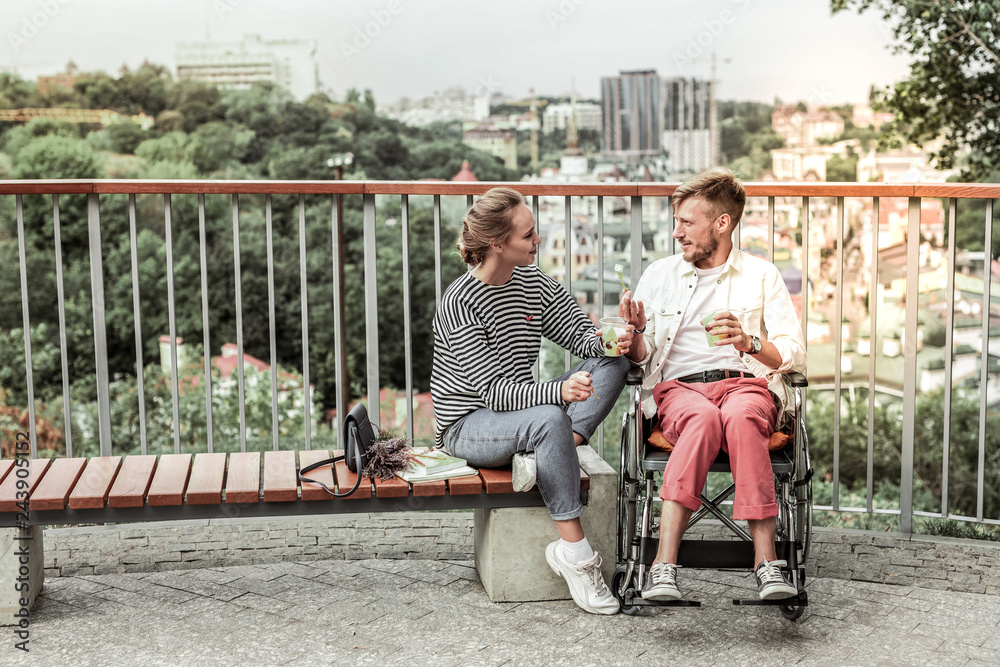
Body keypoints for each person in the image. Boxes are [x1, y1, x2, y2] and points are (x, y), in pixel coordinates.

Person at [431, 187, 630, 615]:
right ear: (498, 244)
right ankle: (575, 554)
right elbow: (495, 394)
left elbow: (581, 338)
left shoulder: (533, 281)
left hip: (525, 414)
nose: (538, 241)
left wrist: (616, 338)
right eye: (529, 235)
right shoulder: (459, 303)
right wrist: (558, 393)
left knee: (614, 361)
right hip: (470, 424)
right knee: (545, 418)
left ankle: (557, 444)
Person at [619, 168, 807, 602]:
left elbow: (794, 351)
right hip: (681, 391)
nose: (676, 233)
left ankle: (767, 565)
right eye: (676, 221)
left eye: (687, 222)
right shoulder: (659, 275)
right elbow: (644, 361)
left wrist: (749, 341)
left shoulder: (761, 275)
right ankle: (663, 566)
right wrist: (637, 335)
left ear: (722, 223)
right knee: (703, 420)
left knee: (741, 418)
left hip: (745, 385)